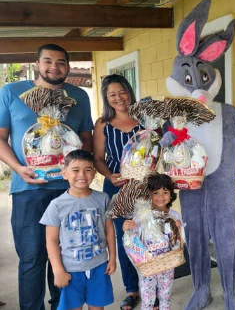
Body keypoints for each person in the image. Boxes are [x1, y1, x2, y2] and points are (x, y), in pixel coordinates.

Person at [0, 44, 94, 310]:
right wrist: (19, 169)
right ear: (37, 63)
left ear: (68, 66)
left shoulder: (78, 96)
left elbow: (86, 139)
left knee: (65, 257)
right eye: (48, 61)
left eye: (61, 62)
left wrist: (78, 173)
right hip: (28, 189)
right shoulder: (11, 92)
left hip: (68, 192)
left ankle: (60, 306)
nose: (55, 67)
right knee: (31, 258)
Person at [40, 149, 116, 310]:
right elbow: (51, 240)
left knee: (97, 306)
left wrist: (112, 258)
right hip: (71, 268)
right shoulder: (57, 205)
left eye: (88, 170)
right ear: (64, 173)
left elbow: (109, 229)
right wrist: (58, 270)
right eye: (75, 170)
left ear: (94, 173)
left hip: (99, 265)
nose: (82, 175)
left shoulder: (102, 198)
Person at [93, 74, 142, 310]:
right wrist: (109, 175)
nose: (118, 98)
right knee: (124, 238)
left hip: (145, 188)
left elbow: (160, 146)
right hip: (117, 187)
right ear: (106, 98)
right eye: (112, 94)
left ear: (129, 92)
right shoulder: (103, 124)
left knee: (149, 234)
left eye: (122, 92)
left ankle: (152, 280)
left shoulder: (145, 118)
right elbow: (98, 159)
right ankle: (132, 289)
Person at [123, 174, 182, 310]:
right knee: (148, 298)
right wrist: (126, 227)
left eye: (165, 192)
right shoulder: (142, 216)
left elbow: (178, 240)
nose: (161, 197)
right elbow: (131, 236)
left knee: (165, 296)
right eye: (156, 192)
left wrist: (178, 227)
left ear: (171, 194)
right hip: (148, 265)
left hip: (167, 263)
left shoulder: (174, 215)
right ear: (148, 194)